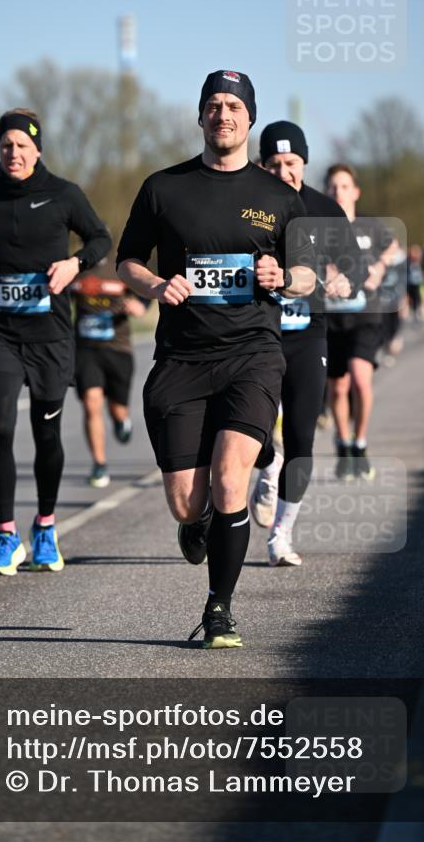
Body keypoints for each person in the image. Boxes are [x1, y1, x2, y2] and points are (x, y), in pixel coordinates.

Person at [117, 71, 315, 648]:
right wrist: (154, 286)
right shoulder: (163, 187)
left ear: (249, 118)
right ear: (199, 116)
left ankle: (219, 607)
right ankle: (197, 523)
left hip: (252, 352)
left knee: (232, 479)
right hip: (181, 358)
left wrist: (285, 276)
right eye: (213, 106)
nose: (222, 115)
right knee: (187, 502)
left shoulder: (280, 196)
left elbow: (307, 273)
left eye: (233, 106)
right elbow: (127, 260)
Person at [0, 109, 111, 576]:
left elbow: (100, 238)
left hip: (51, 335)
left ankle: (46, 527)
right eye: (6, 145)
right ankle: (7, 534)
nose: (14, 153)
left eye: (22, 145)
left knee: (46, 431)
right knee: (0, 427)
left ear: (37, 150)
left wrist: (75, 264)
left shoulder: (63, 194)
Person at [248, 122, 362, 566]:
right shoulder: (247, 208)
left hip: (307, 334)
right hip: (256, 335)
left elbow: (354, 268)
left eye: (291, 163)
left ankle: (281, 534)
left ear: (304, 163)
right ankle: (267, 463)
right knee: (254, 430)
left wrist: (341, 279)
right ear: (261, 165)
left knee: (301, 435)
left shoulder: (325, 210)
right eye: (273, 164)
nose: (283, 172)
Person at [324, 164, 399, 480]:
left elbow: (393, 246)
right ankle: (342, 442)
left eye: (344, 186)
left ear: (355, 191)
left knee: (360, 379)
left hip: (367, 314)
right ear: (326, 193)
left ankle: (360, 443)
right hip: (331, 316)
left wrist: (380, 266)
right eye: (332, 187)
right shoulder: (319, 228)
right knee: (338, 387)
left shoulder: (370, 226)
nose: (338, 191)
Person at [71, 265, 148, 487]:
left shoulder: (120, 268)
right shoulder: (76, 268)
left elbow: (147, 291)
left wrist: (139, 305)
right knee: (91, 403)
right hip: (86, 350)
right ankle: (99, 464)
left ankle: (121, 420)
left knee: (117, 409)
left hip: (118, 350)